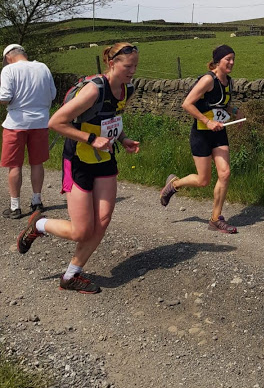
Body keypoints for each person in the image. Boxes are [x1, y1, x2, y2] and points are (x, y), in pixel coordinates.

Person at [16, 42, 140, 294]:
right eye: (128, 66)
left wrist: (123, 138)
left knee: (102, 221)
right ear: (111, 63)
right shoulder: (94, 90)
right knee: (81, 231)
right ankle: (39, 225)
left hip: (104, 160)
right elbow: (56, 122)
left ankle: (71, 274)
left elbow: (111, 119)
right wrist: (92, 139)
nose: (132, 71)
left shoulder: (126, 89)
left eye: (135, 66)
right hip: (79, 161)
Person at [160, 44, 243, 233]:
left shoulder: (228, 81)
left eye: (233, 59)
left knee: (225, 173)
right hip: (201, 134)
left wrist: (235, 111)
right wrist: (207, 121)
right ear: (218, 61)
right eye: (228, 59)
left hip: (219, 133)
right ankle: (174, 184)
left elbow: (220, 104)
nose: (231, 62)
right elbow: (187, 104)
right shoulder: (208, 79)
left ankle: (215, 219)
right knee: (203, 180)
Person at [1, 44, 57, 219]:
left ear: (8, 57)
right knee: (37, 163)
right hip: (40, 122)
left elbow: (5, 97)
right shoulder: (43, 67)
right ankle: (36, 201)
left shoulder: (9, 70)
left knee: (15, 165)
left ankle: (15, 207)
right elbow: (53, 94)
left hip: (16, 123)